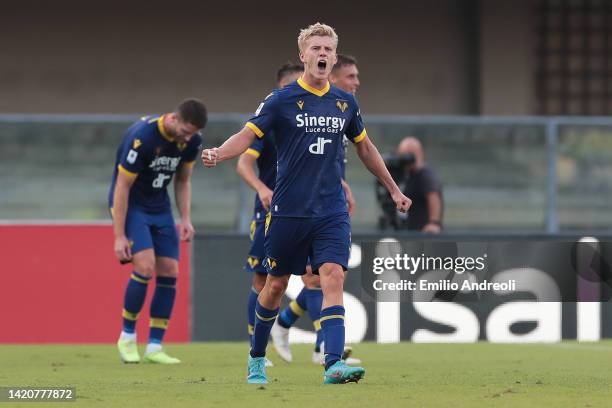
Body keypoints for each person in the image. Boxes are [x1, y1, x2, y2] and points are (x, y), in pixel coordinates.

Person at [201, 23, 411, 384]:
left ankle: (332, 364)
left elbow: (365, 147)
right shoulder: (280, 100)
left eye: (329, 49)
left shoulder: (345, 102)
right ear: (303, 56)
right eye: (316, 48)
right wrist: (220, 152)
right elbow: (247, 135)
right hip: (288, 211)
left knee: (332, 276)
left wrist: (392, 188)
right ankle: (255, 357)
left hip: (329, 211)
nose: (323, 54)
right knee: (276, 285)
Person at [270, 54, 362, 366]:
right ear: (333, 77)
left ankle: (321, 349)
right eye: (350, 76)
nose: (356, 83)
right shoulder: (292, 105)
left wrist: (342, 185)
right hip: (293, 205)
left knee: (327, 277)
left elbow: (335, 157)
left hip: (329, 202)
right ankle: (286, 328)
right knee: (304, 280)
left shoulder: (343, 107)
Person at [110, 99, 207, 364]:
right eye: (186, 131)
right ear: (174, 118)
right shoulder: (142, 136)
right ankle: (127, 337)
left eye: (193, 133)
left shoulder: (192, 141)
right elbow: (121, 187)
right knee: (144, 265)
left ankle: (154, 346)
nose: (188, 138)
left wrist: (185, 218)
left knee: (170, 271)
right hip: (133, 207)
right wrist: (119, 235)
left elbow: (183, 180)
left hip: (160, 207)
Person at [236, 62, 304, 367]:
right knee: (263, 277)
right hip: (268, 213)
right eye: (292, 85)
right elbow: (243, 164)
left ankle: (325, 349)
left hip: (306, 211)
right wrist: (262, 189)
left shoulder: (309, 120)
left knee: (319, 275)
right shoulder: (269, 124)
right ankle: (257, 344)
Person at [396, 137, 443, 233]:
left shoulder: (425, 174)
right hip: (407, 229)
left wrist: (434, 223)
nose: (407, 158)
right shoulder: (405, 173)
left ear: (420, 153)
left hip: (421, 231)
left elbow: (433, 196)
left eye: (410, 153)